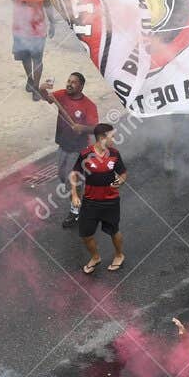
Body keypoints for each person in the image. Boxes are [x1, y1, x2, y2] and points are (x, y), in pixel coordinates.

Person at [69, 123, 126, 275]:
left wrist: (120, 180)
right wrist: (74, 194)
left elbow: (123, 173)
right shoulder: (86, 154)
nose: (114, 139)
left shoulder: (114, 153)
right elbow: (74, 174)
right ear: (102, 138)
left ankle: (119, 255)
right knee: (86, 235)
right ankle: (95, 257)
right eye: (112, 136)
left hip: (111, 201)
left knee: (114, 231)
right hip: (90, 202)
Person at [47, 72, 99, 229]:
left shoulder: (89, 105)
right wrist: (43, 89)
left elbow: (95, 128)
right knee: (62, 177)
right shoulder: (62, 95)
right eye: (68, 81)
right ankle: (82, 191)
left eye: (74, 82)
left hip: (79, 150)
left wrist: (82, 128)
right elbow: (47, 97)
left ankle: (75, 212)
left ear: (81, 86)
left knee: (71, 182)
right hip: (63, 145)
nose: (69, 84)